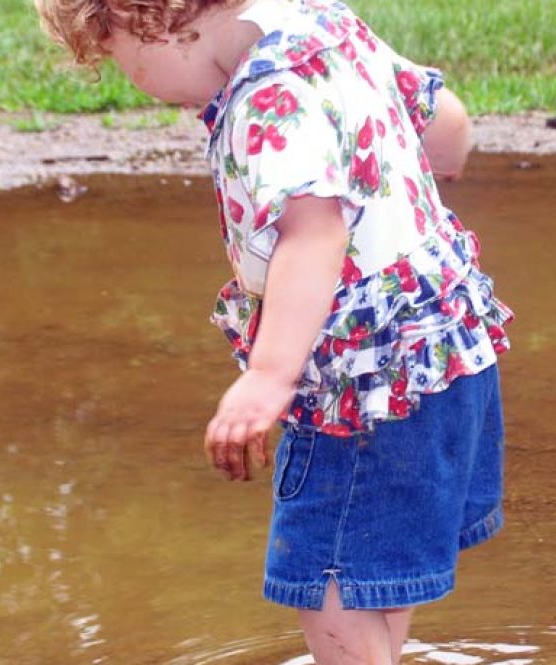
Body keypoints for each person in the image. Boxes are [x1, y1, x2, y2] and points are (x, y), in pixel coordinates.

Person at [35, 0, 514, 662]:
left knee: (327, 587)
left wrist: (268, 376)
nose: (131, 81)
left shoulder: (265, 98)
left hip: (364, 390)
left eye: (118, 58)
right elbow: (443, 120)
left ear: (152, 20)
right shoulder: (321, 19)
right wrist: (440, 170)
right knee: (371, 569)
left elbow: (312, 234)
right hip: (445, 350)